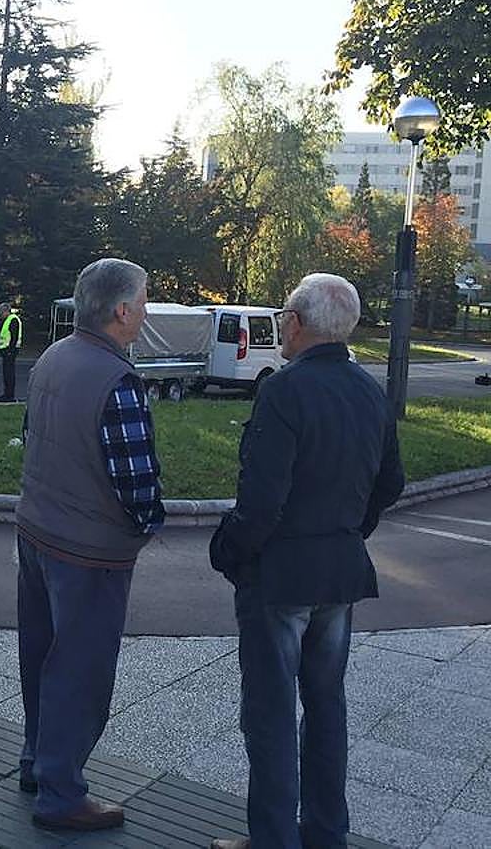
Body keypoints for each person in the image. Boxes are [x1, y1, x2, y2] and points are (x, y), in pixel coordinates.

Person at [207, 274, 405, 849]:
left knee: (269, 714)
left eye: (282, 315)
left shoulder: (285, 390)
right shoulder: (370, 390)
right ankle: (324, 834)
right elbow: (390, 482)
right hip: (340, 572)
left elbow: (261, 500)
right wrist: (349, 530)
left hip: (281, 577)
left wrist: (229, 551)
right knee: (326, 709)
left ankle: (272, 838)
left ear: (296, 321)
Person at [15, 259, 164, 832]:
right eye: (144, 301)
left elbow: (34, 436)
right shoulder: (116, 378)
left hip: (37, 532)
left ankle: (36, 763)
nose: (146, 311)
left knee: (41, 656)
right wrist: (147, 525)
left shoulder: (53, 357)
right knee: (80, 671)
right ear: (122, 310)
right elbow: (137, 480)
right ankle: (61, 796)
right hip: (89, 551)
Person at [0, 302, 22, 401]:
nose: (0, 315)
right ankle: (7, 393)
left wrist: (10, 351)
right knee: (6, 374)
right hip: (6, 350)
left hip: (10, 351)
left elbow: (14, 337)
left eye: (1, 312)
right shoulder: (8, 320)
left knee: (9, 374)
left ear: (6, 311)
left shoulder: (13, 320)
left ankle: (9, 395)